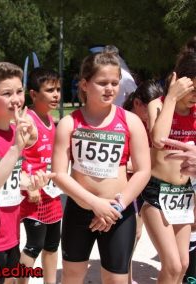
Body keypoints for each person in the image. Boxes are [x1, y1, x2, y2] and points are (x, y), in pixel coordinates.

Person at [52, 50, 151, 283]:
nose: (110, 89)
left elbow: (143, 170)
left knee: (116, 279)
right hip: (80, 212)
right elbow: (58, 174)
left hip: (118, 213)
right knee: (72, 275)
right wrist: (95, 203)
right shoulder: (69, 123)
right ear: (85, 84)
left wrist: (116, 206)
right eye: (102, 82)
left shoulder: (130, 121)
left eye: (115, 83)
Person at [0, 62, 53, 284]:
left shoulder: (15, 132)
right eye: (7, 93)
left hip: (12, 234)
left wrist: (31, 182)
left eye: (18, 91)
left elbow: (13, 178)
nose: (16, 99)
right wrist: (16, 149)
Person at [142, 44, 196, 283]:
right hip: (157, 194)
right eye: (192, 88)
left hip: (184, 193)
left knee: (183, 264)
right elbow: (158, 140)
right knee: (172, 264)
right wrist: (172, 98)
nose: (195, 95)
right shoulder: (159, 104)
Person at [18, 67, 62, 284]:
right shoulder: (29, 121)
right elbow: (17, 158)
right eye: (50, 90)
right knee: (34, 245)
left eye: (58, 89)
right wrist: (30, 187)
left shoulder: (50, 120)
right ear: (34, 94)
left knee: (53, 245)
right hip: (33, 195)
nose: (56, 95)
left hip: (51, 193)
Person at [122, 80, 162, 284]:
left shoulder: (152, 123)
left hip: (148, 186)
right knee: (132, 235)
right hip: (127, 187)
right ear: (138, 104)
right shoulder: (124, 121)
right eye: (152, 110)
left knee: (135, 235)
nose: (157, 115)